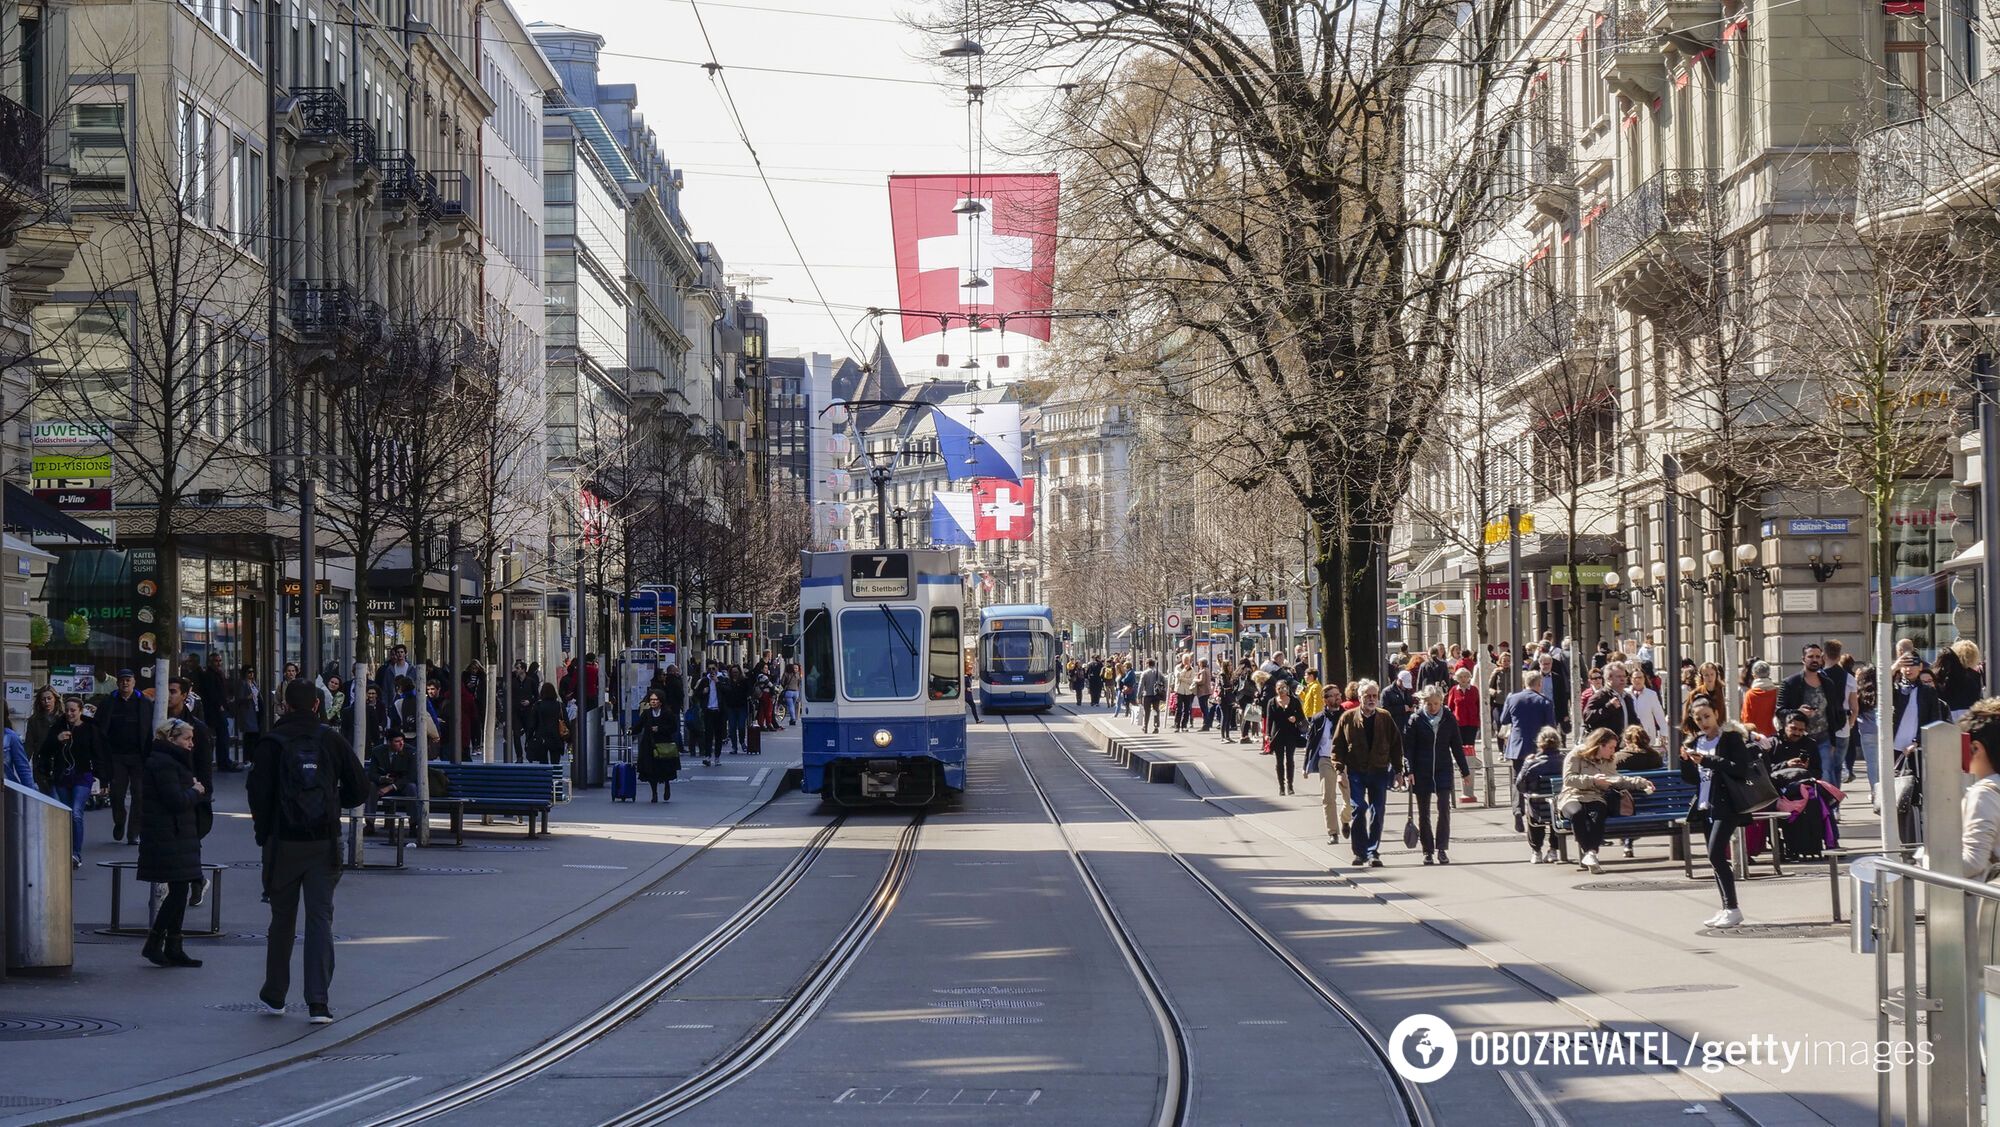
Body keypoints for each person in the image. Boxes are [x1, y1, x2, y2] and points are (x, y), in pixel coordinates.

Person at [248, 679, 368, 1023]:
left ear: (284, 705)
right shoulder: (331, 740)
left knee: (281, 921)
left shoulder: (271, 743)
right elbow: (360, 788)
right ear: (317, 705)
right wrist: (332, 803)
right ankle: (318, 1002)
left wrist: (265, 835)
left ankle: (274, 994)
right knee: (320, 920)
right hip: (323, 843)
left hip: (282, 843)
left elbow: (258, 795)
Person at [138, 719, 208, 968]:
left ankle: (173, 945)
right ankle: (156, 943)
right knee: (178, 892)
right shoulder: (164, 763)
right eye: (187, 739)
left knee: (180, 890)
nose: (191, 744)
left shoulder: (171, 760)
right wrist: (195, 791)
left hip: (175, 834)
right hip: (168, 834)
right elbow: (174, 800)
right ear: (172, 738)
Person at [1681, 699, 1756, 929]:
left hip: (1728, 804)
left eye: (1706, 716)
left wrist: (1708, 760)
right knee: (1715, 859)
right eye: (1698, 718)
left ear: (1716, 714)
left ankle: (1733, 908)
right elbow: (1692, 778)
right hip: (1706, 804)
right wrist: (1685, 761)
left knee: (1715, 854)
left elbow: (1740, 768)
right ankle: (1727, 907)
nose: (1703, 722)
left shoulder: (1730, 738)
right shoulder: (1696, 741)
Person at [1558, 726, 1655, 874]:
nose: (1613, 751)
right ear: (1599, 745)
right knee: (1577, 813)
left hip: (1595, 796)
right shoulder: (1575, 755)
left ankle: (1591, 854)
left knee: (1598, 814)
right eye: (1610, 747)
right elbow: (1569, 779)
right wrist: (1593, 780)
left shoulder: (1608, 760)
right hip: (1572, 795)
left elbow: (1617, 780)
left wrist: (1641, 782)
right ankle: (1589, 852)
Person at [1330, 679, 1403, 867]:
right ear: (1360, 697)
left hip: (1379, 771)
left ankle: (1372, 852)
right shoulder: (1347, 718)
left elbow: (1396, 745)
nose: (1371, 699)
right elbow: (1338, 746)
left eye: (1374, 696)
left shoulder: (1385, 717)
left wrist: (1398, 771)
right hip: (1356, 772)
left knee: (1377, 811)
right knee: (1359, 808)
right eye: (1367, 696)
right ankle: (1359, 852)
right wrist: (1340, 770)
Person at [1404, 686, 1468, 864]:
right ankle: (1427, 850)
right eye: (1429, 703)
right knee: (1424, 813)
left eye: (1436, 703)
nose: (1432, 707)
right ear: (1423, 702)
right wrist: (1408, 770)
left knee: (1444, 809)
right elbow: (1408, 748)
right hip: (1421, 770)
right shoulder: (1415, 720)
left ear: (1441, 702)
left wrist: (1465, 770)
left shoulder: (1448, 719)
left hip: (1443, 769)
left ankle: (1441, 848)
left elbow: (1456, 745)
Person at [1777, 642, 1849, 788]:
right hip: (1799, 738)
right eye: (1810, 656)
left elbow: (1836, 710)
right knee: (1800, 774)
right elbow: (1779, 711)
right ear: (1803, 659)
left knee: (1827, 773)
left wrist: (1835, 735)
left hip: (1824, 737)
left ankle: (1830, 809)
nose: (1814, 660)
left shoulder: (1828, 683)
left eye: (1818, 656)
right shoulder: (1791, 683)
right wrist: (1798, 712)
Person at [38, 697, 98, 867]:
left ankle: (76, 853)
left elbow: (98, 751)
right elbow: (45, 750)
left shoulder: (89, 728)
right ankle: (64, 849)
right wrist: (57, 739)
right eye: (67, 710)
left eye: (73, 710)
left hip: (82, 775)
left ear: (80, 711)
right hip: (62, 775)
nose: (70, 713)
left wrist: (104, 778)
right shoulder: (58, 727)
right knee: (65, 814)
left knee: (77, 813)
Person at [1515, 728, 1567, 863]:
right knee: (1556, 813)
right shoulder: (1565, 761)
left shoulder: (1532, 763)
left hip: (1538, 807)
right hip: (1560, 806)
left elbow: (1520, 785)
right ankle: (1554, 850)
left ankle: (1536, 850)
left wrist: (1526, 764)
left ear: (1539, 743)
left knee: (1532, 808)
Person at [1307, 692, 1351, 843]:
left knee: (1350, 797)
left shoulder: (1347, 716)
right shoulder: (1319, 718)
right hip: (1325, 759)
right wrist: (1306, 765)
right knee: (1328, 797)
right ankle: (1333, 832)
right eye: (1332, 696)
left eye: (1338, 694)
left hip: (1345, 761)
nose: (1337, 698)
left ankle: (1345, 818)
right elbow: (1311, 742)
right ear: (1325, 700)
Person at [1499, 671, 1557, 767]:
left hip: (1516, 746)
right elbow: (1550, 727)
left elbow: (1504, 720)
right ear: (1540, 683)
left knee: (1517, 778)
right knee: (1536, 779)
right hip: (1538, 747)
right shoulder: (1545, 701)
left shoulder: (1512, 698)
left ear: (1525, 683)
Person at [634, 691, 679, 802]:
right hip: (650, 744)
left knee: (665, 768)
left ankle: (666, 785)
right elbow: (639, 726)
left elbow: (673, 728)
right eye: (651, 700)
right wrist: (630, 731)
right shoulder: (647, 713)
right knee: (650, 770)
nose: (653, 702)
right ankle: (654, 793)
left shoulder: (667, 713)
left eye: (655, 700)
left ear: (661, 701)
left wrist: (659, 729)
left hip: (664, 744)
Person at [1265, 679, 1307, 796]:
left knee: (1290, 759)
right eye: (1279, 688)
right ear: (1276, 690)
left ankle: (1290, 786)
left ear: (1287, 688)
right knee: (1279, 761)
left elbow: (1301, 716)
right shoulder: (1272, 702)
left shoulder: (1294, 701)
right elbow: (1269, 719)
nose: (1281, 690)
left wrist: (1295, 718)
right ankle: (1281, 787)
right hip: (1277, 734)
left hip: (1291, 733)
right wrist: (1267, 734)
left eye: (1283, 688)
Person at [1581, 662, 1630, 735]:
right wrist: (1609, 707)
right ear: (1609, 679)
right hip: (1605, 743)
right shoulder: (1600, 696)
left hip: (1624, 743)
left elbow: (1633, 720)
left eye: (1624, 676)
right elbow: (1587, 716)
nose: (1622, 679)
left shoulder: (1627, 697)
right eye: (1618, 676)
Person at [25, 686, 60, 785]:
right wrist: (23, 764)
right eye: (43, 699)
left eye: (49, 698)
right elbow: (29, 744)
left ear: (55, 699)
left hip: (60, 762)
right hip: (41, 763)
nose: (46, 701)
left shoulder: (63, 717)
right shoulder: (34, 720)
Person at [529, 683, 567, 765]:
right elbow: (566, 721)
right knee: (556, 762)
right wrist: (569, 738)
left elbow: (532, 724)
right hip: (556, 737)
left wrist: (529, 737)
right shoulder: (560, 705)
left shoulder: (538, 705)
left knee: (543, 763)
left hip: (542, 737)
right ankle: (556, 777)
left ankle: (545, 777)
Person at [1740, 661, 1779, 737]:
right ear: (1768, 674)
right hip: (1774, 736)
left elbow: (1746, 718)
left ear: (1754, 675)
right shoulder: (1777, 692)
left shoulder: (1750, 694)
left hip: (1756, 737)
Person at [1137, 659, 1166, 733]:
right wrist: (1162, 689)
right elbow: (1165, 681)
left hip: (1147, 695)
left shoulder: (1145, 673)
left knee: (1147, 711)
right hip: (1156, 695)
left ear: (1147, 664)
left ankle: (1145, 727)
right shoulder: (1158, 673)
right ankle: (1156, 727)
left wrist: (1138, 696)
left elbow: (1141, 685)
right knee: (1156, 710)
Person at [1170, 655, 1197, 732]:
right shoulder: (1177, 667)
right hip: (1179, 690)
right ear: (1182, 660)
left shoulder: (1192, 669)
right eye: (1185, 661)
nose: (1186, 663)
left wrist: (1183, 679)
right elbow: (1178, 676)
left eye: (1187, 661)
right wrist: (1184, 670)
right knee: (1179, 709)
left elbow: (1191, 680)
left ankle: (1184, 725)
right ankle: (1177, 725)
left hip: (1188, 691)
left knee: (1187, 709)